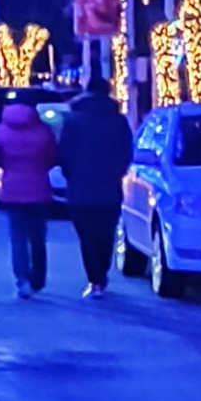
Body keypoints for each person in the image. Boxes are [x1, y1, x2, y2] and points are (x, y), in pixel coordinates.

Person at [59, 77, 134, 298]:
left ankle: (95, 279)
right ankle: (101, 272)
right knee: (105, 232)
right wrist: (116, 173)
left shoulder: (73, 120)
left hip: (80, 190)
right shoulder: (118, 121)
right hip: (109, 189)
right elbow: (126, 152)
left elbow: (64, 153)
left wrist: (71, 174)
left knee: (87, 236)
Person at [0, 100, 59, 298]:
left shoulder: (2, 131)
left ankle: (23, 281)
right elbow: (52, 157)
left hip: (12, 190)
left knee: (18, 237)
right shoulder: (43, 132)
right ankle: (38, 278)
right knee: (38, 237)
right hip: (38, 189)